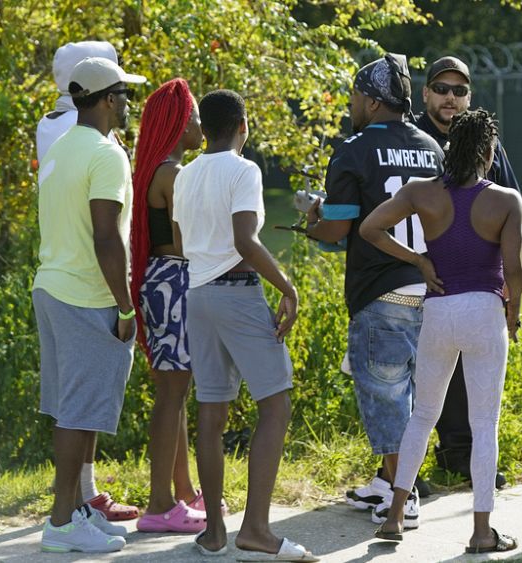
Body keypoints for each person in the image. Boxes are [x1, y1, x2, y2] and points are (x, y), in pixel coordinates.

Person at [364, 109, 522, 552]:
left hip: (437, 310)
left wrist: (418, 260)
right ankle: (480, 531)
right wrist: (514, 317)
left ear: (450, 148)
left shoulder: (421, 192)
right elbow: (515, 271)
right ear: (489, 153)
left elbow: (369, 228)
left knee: (422, 415)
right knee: (484, 423)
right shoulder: (507, 200)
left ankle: (394, 515)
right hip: (485, 310)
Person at [173, 89, 313, 561]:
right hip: (237, 295)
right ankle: (256, 529)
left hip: (196, 297)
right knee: (275, 405)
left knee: (211, 416)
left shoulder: (185, 174)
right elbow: (245, 240)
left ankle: (214, 533)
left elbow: (180, 241)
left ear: (204, 129)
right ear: (242, 126)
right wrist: (287, 287)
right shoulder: (244, 169)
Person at [305, 53, 444, 526]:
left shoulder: (354, 148)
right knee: (408, 393)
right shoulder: (433, 146)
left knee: (385, 399)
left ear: (369, 100)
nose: (350, 104)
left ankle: (400, 500)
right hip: (431, 289)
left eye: (352, 97)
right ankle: (388, 483)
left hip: (381, 290)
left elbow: (337, 229)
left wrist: (313, 222)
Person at [33, 56, 145, 553]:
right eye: (124, 95)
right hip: (85, 293)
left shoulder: (60, 149)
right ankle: (61, 523)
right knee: (79, 413)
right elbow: (106, 237)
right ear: (106, 100)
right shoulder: (106, 154)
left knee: (73, 408)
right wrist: (124, 307)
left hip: (51, 285)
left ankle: (76, 509)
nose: (128, 104)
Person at [414, 56, 519, 487]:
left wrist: (509, 293)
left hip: (474, 282)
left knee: (469, 374)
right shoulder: (413, 140)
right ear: (425, 93)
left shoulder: (486, 143)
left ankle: (462, 454)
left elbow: (510, 207)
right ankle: (396, 473)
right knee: (410, 379)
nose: (450, 98)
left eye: (460, 90)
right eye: (442, 88)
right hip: (416, 277)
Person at [130, 78, 219, 534]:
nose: (202, 127)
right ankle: (160, 504)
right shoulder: (174, 174)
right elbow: (192, 242)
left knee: (174, 391)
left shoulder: (152, 169)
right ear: (180, 124)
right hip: (175, 282)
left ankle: (182, 493)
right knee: (172, 394)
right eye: (197, 118)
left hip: (158, 280)